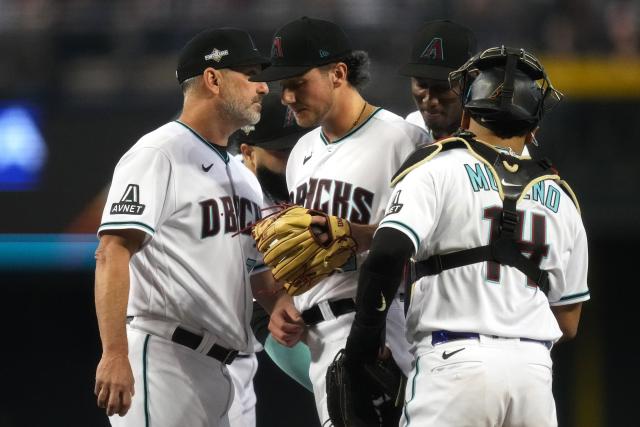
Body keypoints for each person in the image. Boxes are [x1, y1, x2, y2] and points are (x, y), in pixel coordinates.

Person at [343, 46, 590, 426]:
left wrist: (362, 348)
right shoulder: (562, 198)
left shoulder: (437, 167)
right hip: (533, 377)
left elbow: (387, 253)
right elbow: (568, 322)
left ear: (469, 108)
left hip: (454, 363)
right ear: (534, 126)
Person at [249, 16, 432, 424]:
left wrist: (355, 235)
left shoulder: (402, 140)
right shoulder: (301, 154)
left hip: (383, 327)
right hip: (317, 341)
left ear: (338, 73)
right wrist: (283, 302)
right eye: (284, 86)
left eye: (298, 82)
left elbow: (430, 239)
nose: (288, 96)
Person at [93, 27, 272, 427]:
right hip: (166, 359)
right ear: (213, 78)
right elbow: (112, 250)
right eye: (250, 74)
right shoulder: (158, 153)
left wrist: (287, 308)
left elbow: (257, 277)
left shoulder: (245, 178)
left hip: (237, 370)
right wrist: (115, 353)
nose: (263, 87)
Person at [226, 93, 313, 427]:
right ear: (247, 152)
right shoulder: (229, 188)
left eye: (297, 148)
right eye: (281, 152)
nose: (292, 160)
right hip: (261, 313)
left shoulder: (314, 172)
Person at [399, 20, 477, 138]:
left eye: (442, 88)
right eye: (421, 85)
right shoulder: (411, 127)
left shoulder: (492, 139)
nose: (428, 100)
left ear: (470, 84)